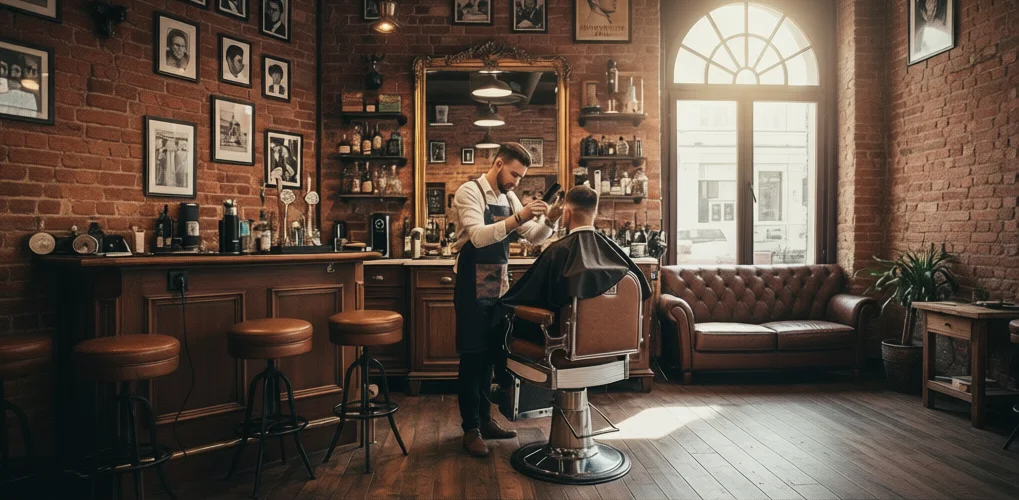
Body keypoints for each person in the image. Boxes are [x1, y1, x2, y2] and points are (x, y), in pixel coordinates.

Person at [449, 142, 560, 458]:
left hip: (496, 282)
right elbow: (479, 236)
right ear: (498, 164)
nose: (517, 183)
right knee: (472, 358)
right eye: (514, 174)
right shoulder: (469, 192)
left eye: (521, 177)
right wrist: (521, 215)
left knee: (491, 355)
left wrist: (549, 220)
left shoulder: (508, 197)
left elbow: (534, 236)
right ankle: (470, 429)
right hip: (471, 283)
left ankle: (485, 421)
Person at [496, 186, 652, 345]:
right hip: (612, 348)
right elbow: (644, 291)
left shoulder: (558, 252)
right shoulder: (615, 251)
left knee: (502, 311)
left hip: (565, 347)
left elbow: (524, 297)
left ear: (567, 213)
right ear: (595, 212)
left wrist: (502, 307)